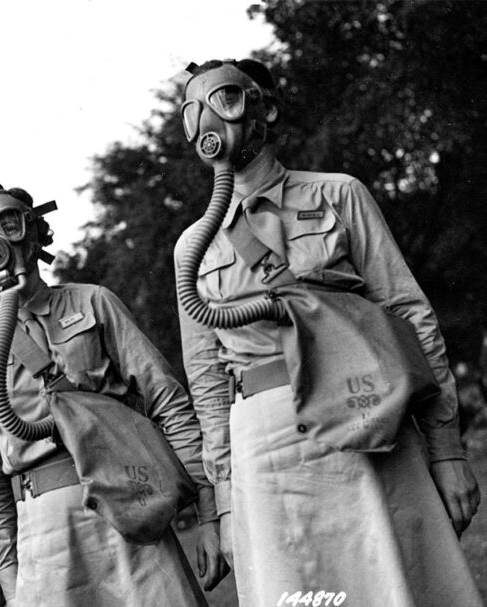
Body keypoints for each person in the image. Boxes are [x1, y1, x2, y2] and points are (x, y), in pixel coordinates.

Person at [174, 58, 483, 606]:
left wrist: (446, 449)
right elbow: (205, 382)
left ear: (264, 108)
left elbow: (410, 314)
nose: (206, 124)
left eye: (223, 101)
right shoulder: (193, 247)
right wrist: (223, 501)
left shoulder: (338, 195)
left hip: (363, 418)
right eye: (192, 112)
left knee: (394, 582)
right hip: (264, 449)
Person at [0, 184, 227, 607]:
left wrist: (208, 512)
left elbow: (165, 399)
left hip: (130, 502)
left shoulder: (93, 302)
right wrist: (4, 566)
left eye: (8, 223)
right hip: (45, 532)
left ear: (36, 234)